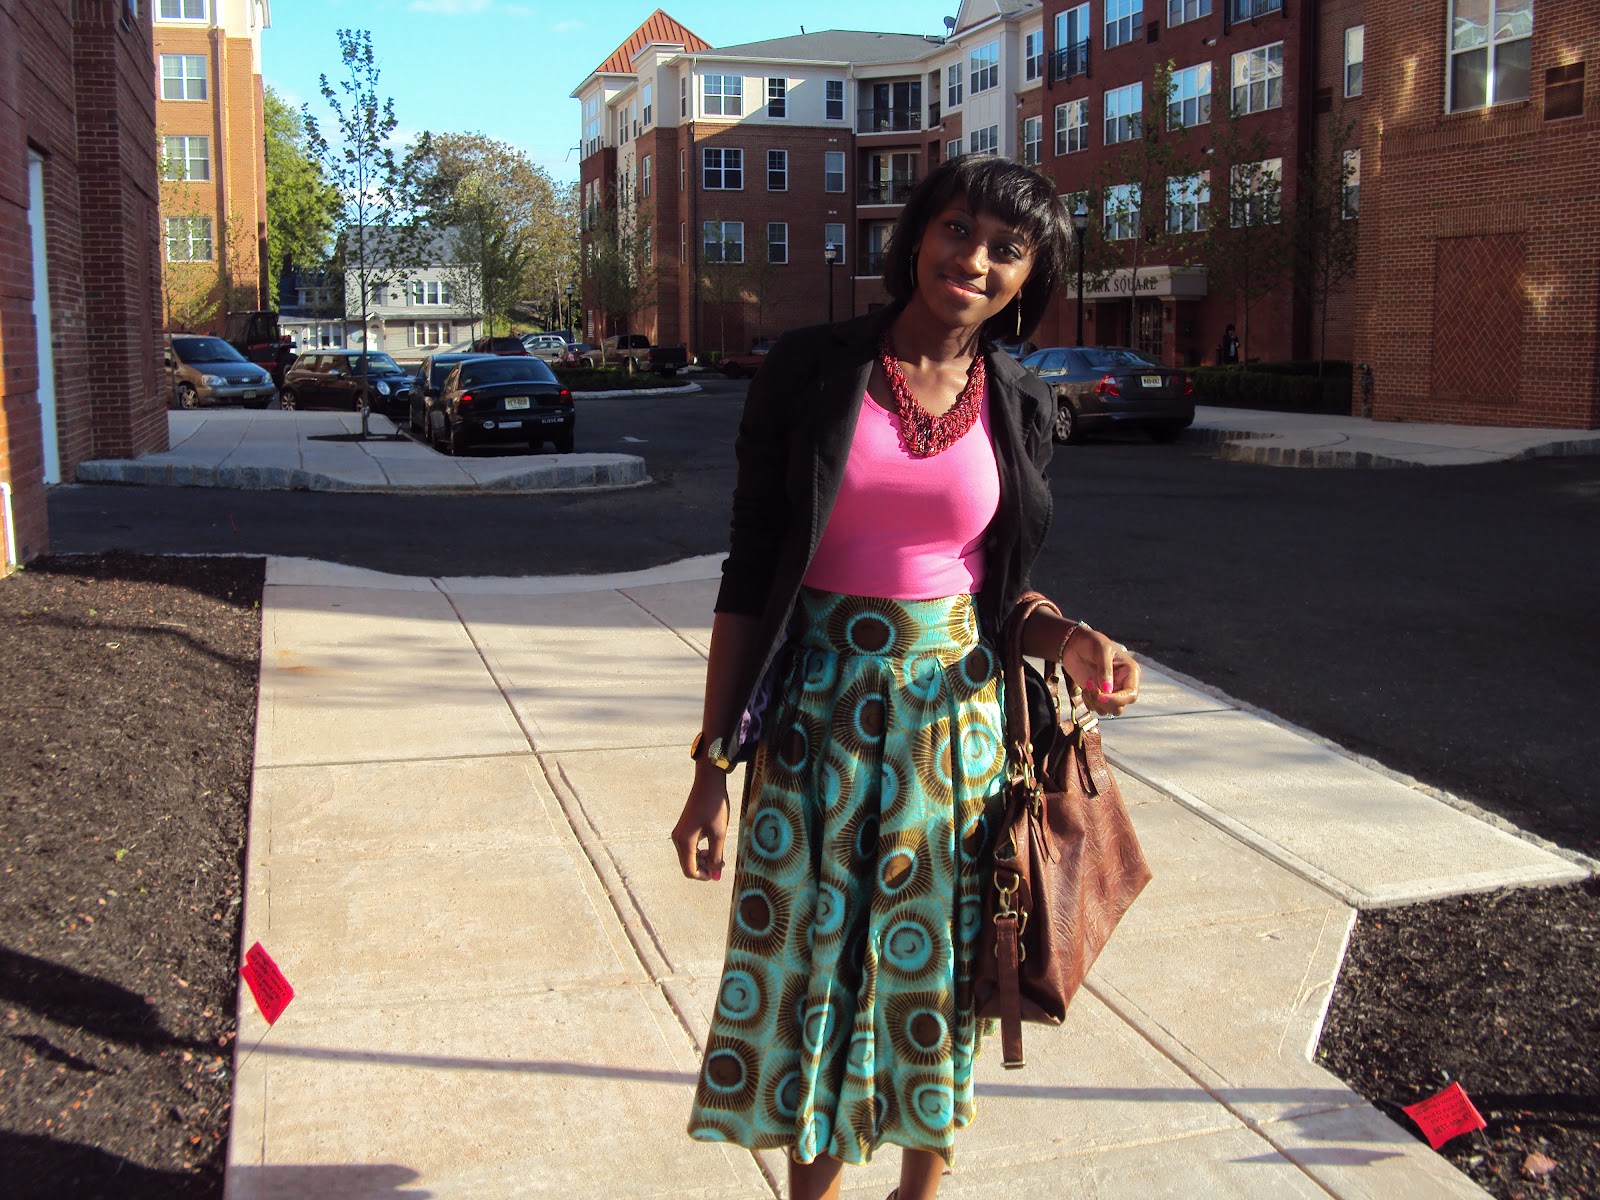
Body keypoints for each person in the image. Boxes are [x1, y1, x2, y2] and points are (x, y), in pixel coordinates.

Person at [671, 155, 1142, 1200]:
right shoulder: (811, 369)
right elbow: (751, 572)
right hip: (817, 724)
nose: (974, 259)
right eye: (957, 229)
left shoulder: (1019, 400)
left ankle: (919, 1194)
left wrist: (1069, 640)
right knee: (812, 972)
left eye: (1006, 248)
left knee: (943, 970)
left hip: (955, 729)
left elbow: (999, 590)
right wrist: (711, 768)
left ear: (1030, 276)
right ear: (917, 235)